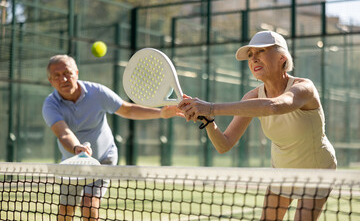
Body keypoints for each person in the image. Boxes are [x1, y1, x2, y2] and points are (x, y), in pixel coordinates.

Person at [178, 31, 337, 221]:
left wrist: (211, 108)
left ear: (282, 58)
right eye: (250, 55)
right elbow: (224, 144)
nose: (254, 59)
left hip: (317, 171)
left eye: (261, 51)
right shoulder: (252, 97)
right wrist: (207, 120)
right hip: (282, 171)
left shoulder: (304, 88)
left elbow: (275, 106)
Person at [42, 54, 183, 221]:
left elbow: (127, 109)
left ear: (77, 73)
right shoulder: (50, 105)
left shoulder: (97, 92)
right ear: (50, 81)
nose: (63, 79)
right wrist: (76, 148)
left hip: (103, 159)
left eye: (67, 73)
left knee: (89, 205)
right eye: (56, 76)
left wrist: (160, 112)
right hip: (72, 163)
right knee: (66, 210)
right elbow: (63, 133)